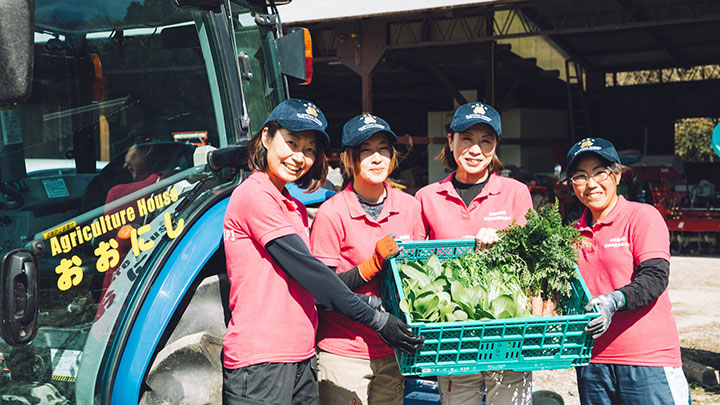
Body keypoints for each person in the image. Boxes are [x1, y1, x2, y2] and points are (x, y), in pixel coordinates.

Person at [221, 99, 424, 405]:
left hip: (301, 353)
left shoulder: (294, 206)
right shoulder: (254, 195)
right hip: (262, 356)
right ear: (266, 138)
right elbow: (315, 276)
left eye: (309, 149)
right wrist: (378, 319)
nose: (299, 156)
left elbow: (313, 292)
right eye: (291, 143)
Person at [415, 101, 534, 405]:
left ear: (495, 147)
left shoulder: (515, 193)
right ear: (451, 141)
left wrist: (505, 239)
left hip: (506, 332)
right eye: (466, 138)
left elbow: (532, 258)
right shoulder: (427, 198)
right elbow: (414, 266)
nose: (475, 149)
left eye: (486, 141)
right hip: (452, 332)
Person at [309, 114, 426, 404]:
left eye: (383, 149)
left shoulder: (410, 207)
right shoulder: (332, 213)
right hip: (344, 352)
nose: (377, 158)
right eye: (366, 150)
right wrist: (372, 265)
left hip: (392, 351)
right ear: (349, 159)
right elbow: (322, 293)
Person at [565, 137, 689, 404]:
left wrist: (614, 301)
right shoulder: (570, 234)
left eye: (600, 172)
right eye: (580, 176)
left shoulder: (641, 216)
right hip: (592, 361)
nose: (591, 183)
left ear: (617, 175)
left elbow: (655, 277)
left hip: (647, 360)